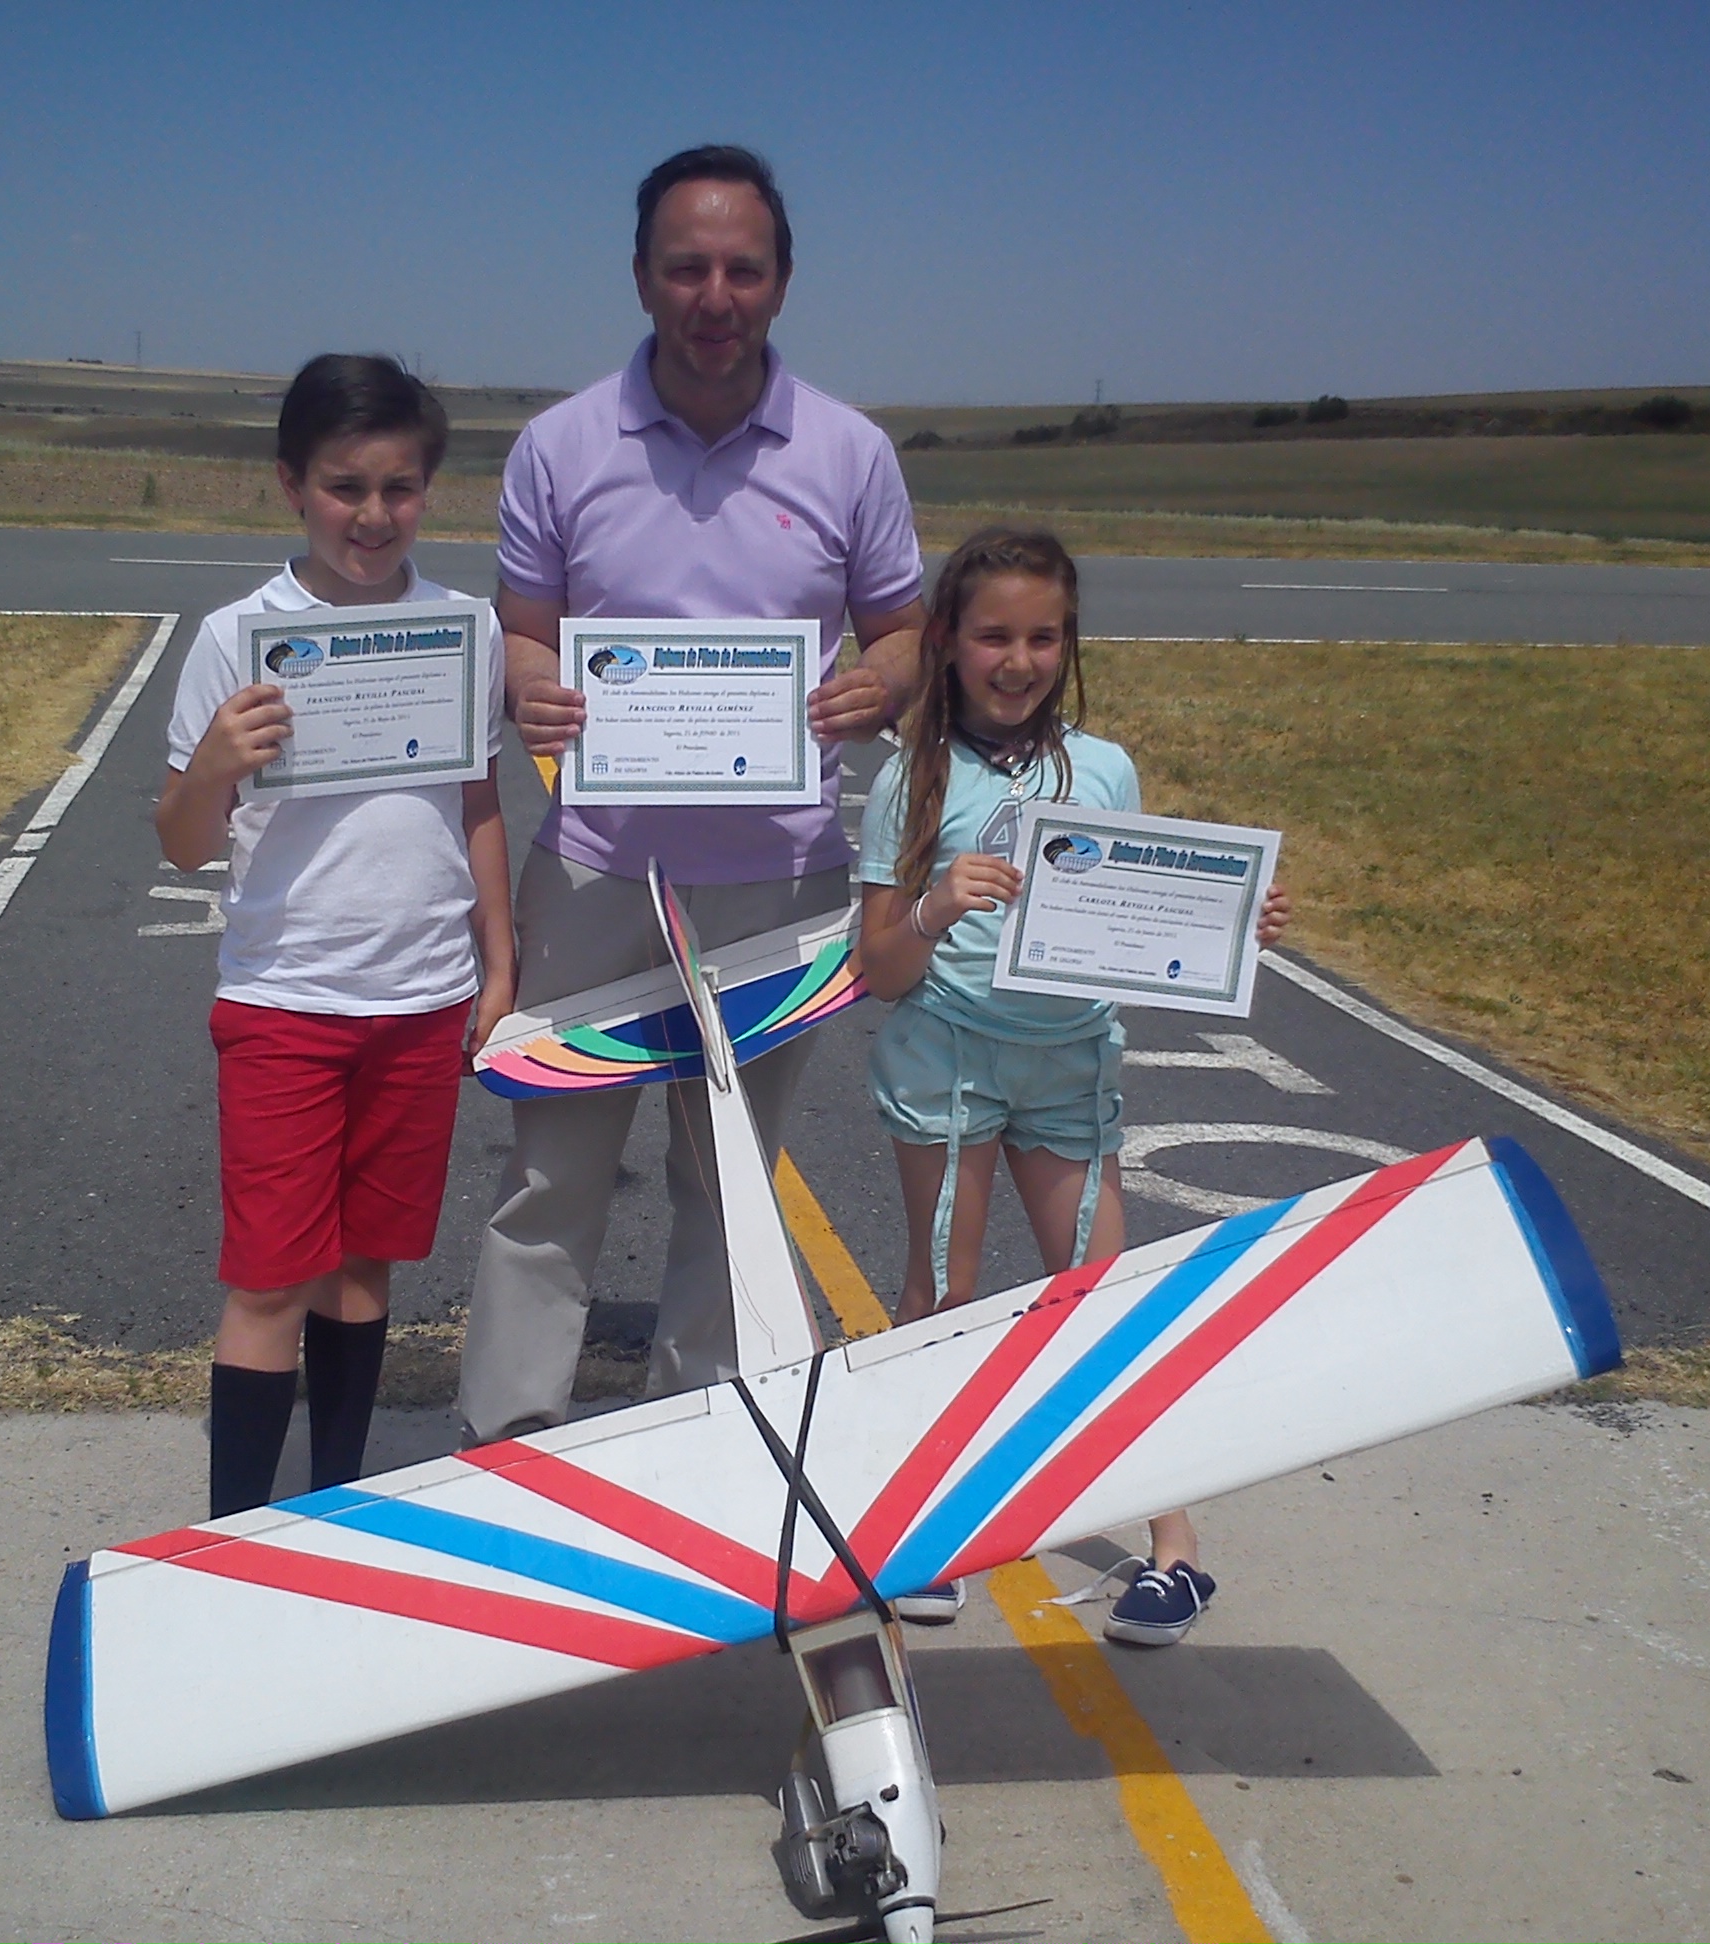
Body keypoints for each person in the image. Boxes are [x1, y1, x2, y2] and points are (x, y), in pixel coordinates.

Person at [457, 144, 929, 1443]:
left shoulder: (849, 452)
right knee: (551, 1179)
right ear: (641, 278)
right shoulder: (561, 447)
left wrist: (877, 688)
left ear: (779, 282)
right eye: (687, 268)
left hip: (779, 887)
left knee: (732, 1185)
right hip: (600, 876)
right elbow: (528, 631)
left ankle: (699, 1449)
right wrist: (534, 687)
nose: (713, 294)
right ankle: (507, 1457)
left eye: (741, 268)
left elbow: (901, 630)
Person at [853, 527, 1291, 1644]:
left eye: (1043, 636)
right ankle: (924, 1529)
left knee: (1097, 1298)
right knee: (939, 1302)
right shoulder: (911, 776)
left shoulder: (1103, 769)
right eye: (994, 635)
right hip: (946, 1056)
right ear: (946, 641)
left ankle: (1175, 1547)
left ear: (1069, 642)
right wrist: (940, 903)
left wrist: (1232, 928)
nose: (1019, 659)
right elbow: (879, 970)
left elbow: (1134, 924)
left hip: (1069, 1065)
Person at [159, 353, 514, 1518]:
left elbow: (476, 803)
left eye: (399, 488)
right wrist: (212, 766)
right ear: (290, 486)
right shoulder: (239, 637)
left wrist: (497, 962)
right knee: (271, 1277)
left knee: (366, 1268)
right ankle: (235, 1535)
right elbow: (180, 844)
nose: (372, 515)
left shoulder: (462, 628)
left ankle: (333, 1511)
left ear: (430, 490)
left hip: (418, 1001)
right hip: (286, 1000)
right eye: (344, 487)